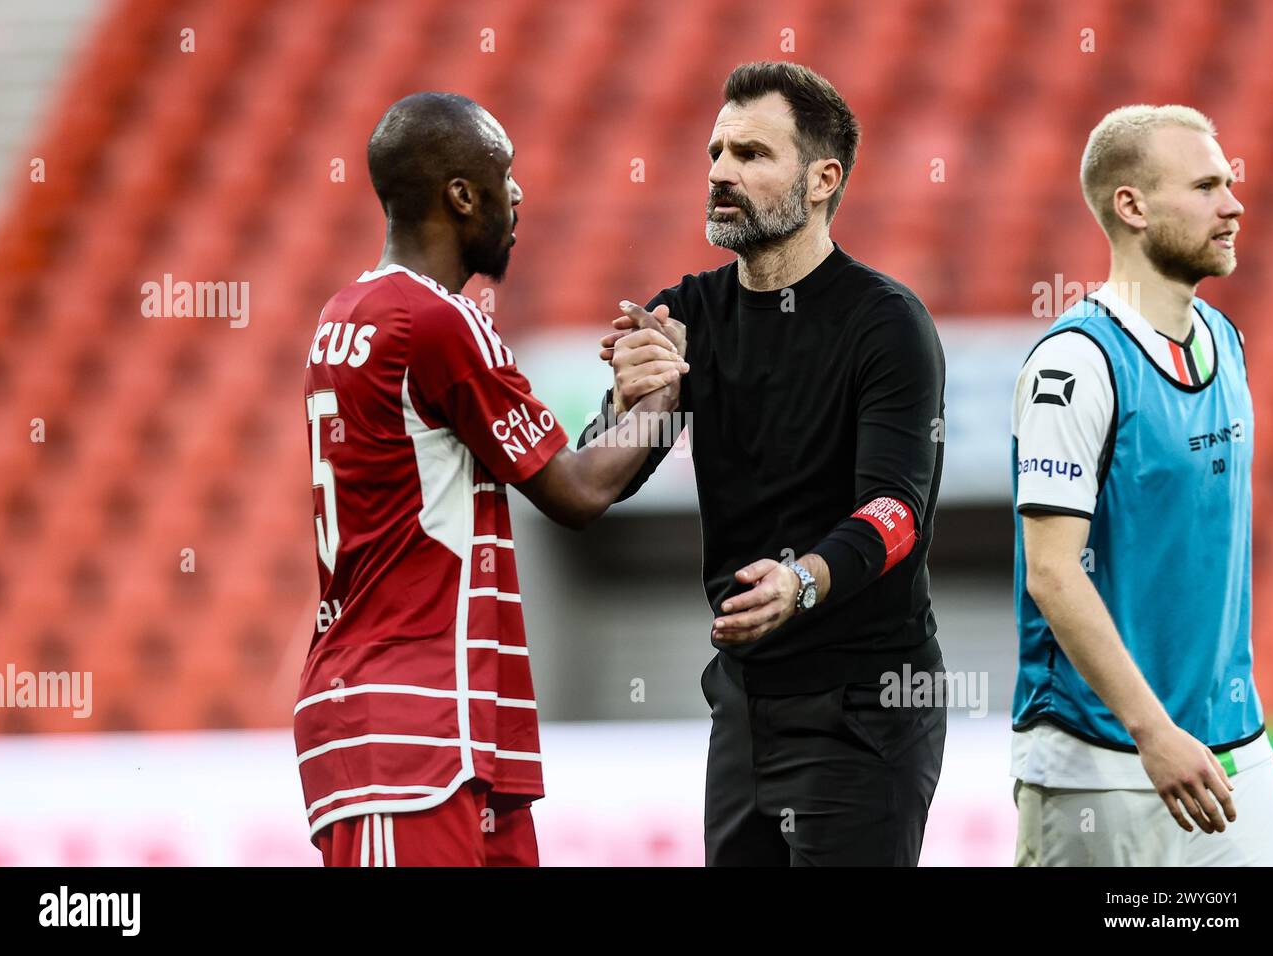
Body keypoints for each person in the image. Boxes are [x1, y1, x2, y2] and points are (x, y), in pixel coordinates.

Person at [297, 92, 684, 866]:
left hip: (452, 726)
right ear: (460, 194)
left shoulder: (351, 311)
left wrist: (626, 409)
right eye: (504, 174)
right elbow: (577, 493)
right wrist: (673, 392)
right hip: (409, 732)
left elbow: (547, 465)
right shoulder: (438, 321)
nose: (519, 194)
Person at [581, 61, 947, 866]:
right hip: (745, 702)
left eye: (750, 155)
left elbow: (898, 512)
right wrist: (634, 406)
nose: (719, 172)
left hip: (865, 706)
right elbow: (592, 480)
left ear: (823, 180)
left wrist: (802, 579)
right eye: (715, 152)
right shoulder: (685, 315)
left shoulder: (886, 324)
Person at [1010, 104, 1273, 865]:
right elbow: (1052, 572)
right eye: (1205, 186)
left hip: (1235, 751)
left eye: (1229, 183)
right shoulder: (1073, 365)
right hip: (1100, 760)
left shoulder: (1224, 341)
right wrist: (1152, 731)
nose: (1233, 203)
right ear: (1130, 206)